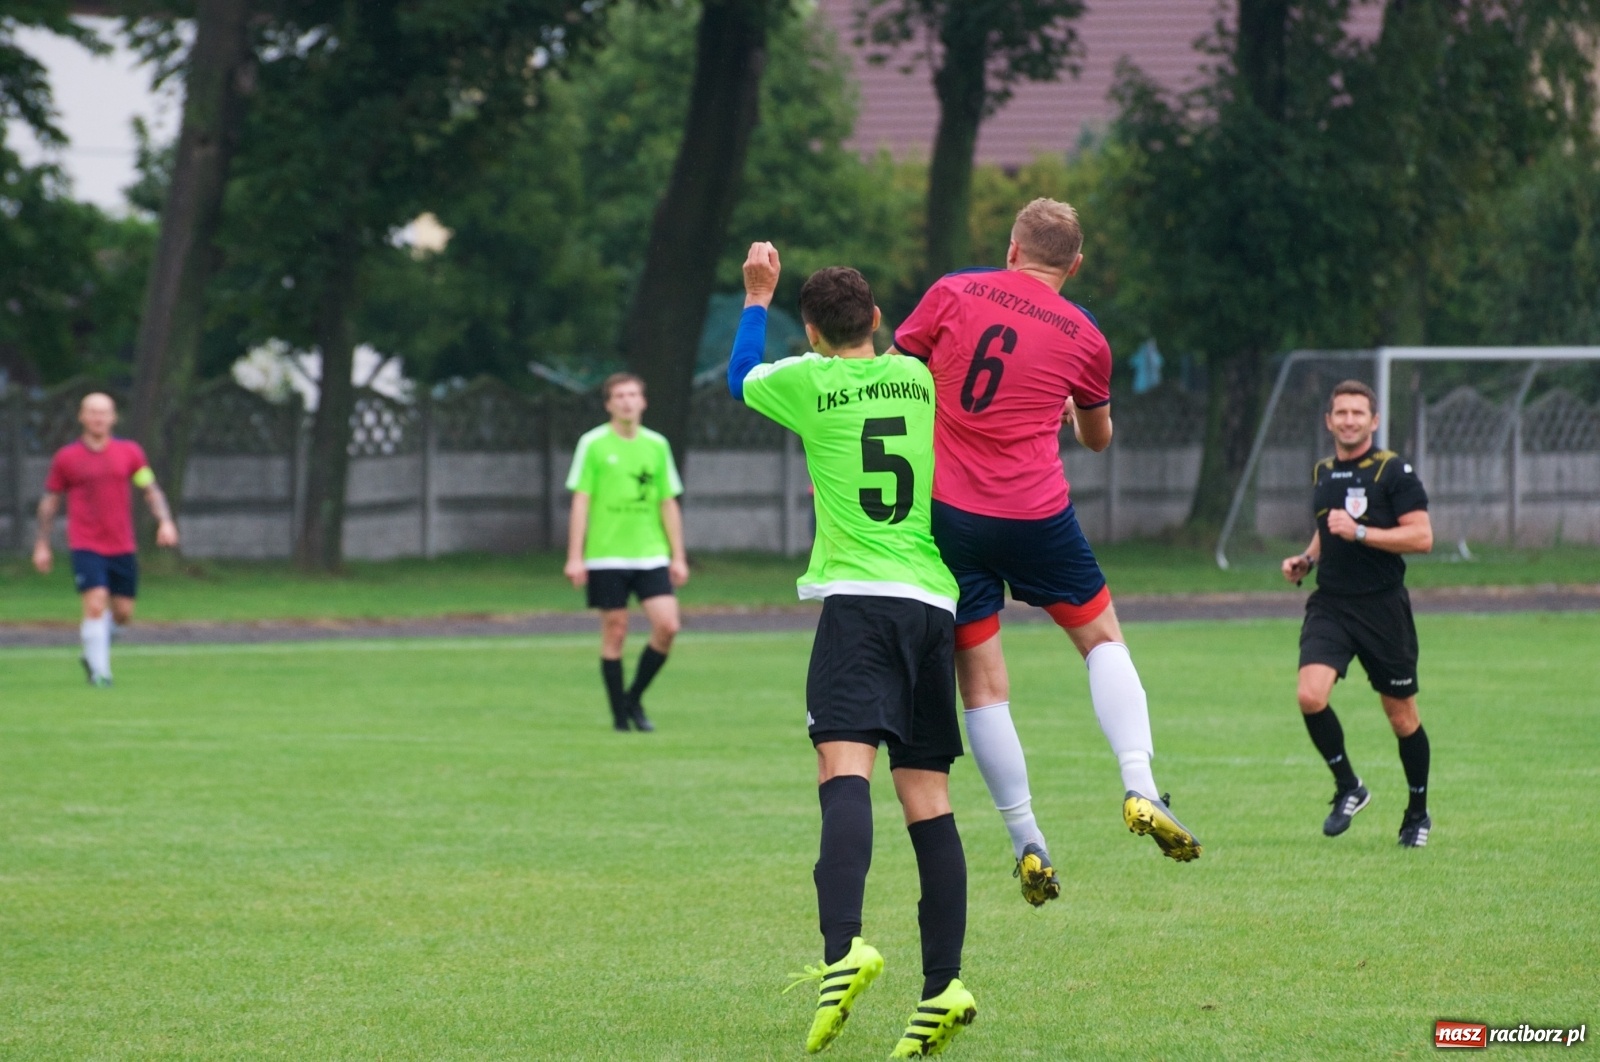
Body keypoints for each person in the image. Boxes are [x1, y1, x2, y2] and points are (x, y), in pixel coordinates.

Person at [888, 197, 1202, 905]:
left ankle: (1027, 838)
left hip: (951, 515)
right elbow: (1097, 440)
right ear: (1076, 265)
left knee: (985, 687)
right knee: (1100, 640)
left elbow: (897, 379)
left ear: (1010, 249)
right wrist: (1063, 408)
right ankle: (1140, 784)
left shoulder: (952, 292)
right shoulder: (1086, 336)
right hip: (1036, 512)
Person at [731, 244, 977, 1059]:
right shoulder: (919, 376)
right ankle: (943, 986)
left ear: (811, 329)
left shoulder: (808, 380)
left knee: (843, 776)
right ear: (876, 319)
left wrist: (754, 297)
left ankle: (845, 952)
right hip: (932, 605)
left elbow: (738, 376)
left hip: (859, 605)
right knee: (929, 802)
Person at [1281, 380, 1435, 847]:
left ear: (1374, 420)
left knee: (1402, 717)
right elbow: (1328, 529)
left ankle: (1417, 814)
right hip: (1331, 604)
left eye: (1357, 412)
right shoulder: (1323, 471)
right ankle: (1349, 785)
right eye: (1341, 412)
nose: (1349, 419)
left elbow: (1422, 537)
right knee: (1310, 695)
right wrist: (1307, 559)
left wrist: (1362, 534)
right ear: (1329, 421)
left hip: (1383, 608)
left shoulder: (1394, 472)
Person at [563, 373, 688, 732]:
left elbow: (668, 502)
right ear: (609, 404)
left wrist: (677, 555)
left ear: (643, 402)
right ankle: (620, 717)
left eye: (634, 394)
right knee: (615, 631)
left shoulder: (657, 445)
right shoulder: (593, 444)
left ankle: (632, 698)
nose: (627, 401)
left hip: (650, 554)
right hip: (607, 555)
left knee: (668, 625)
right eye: (620, 396)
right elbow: (581, 501)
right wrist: (576, 556)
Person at [33, 392, 180, 686]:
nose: (98, 418)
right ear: (82, 416)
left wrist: (165, 521)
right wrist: (42, 543)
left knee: (123, 613)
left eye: (104, 413)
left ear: (113, 418)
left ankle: (92, 650)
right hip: (85, 543)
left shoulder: (130, 453)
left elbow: (149, 489)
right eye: (92, 412)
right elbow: (50, 501)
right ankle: (101, 674)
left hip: (121, 544)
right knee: (96, 603)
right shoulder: (67, 458)